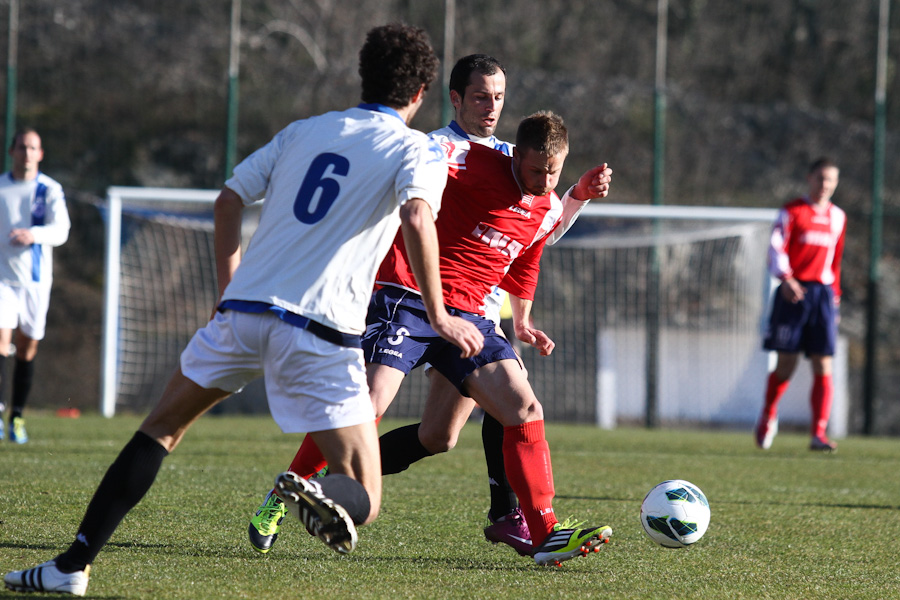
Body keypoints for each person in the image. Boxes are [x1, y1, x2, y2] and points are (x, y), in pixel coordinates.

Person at [4, 23, 484, 596]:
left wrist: (226, 291)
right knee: (366, 495)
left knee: (159, 430)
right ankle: (316, 494)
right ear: (423, 91)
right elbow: (416, 217)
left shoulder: (304, 130)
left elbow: (229, 199)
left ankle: (72, 565)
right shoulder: (417, 148)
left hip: (243, 312)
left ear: (363, 76)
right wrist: (439, 314)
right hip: (320, 328)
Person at [248, 55, 609, 559]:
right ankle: (287, 492)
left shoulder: (522, 166)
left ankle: (541, 529)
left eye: (498, 97)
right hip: (408, 298)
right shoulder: (442, 151)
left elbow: (530, 243)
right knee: (368, 405)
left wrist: (526, 312)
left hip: (473, 317)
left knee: (496, 416)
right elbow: (387, 178)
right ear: (455, 98)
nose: (491, 106)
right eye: (480, 96)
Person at [755, 157, 846, 452]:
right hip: (793, 292)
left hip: (823, 296)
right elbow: (776, 248)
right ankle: (768, 414)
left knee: (823, 362)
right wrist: (786, 278)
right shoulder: (792, 211)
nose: (825, 184)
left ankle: (818, 434)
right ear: (809, 178)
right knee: (786, 364)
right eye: (820, 178)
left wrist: (835, 300)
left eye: (830, 179)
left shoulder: (838, 217)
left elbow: (835, 261)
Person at [0, 127, 70, 444]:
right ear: (12, 151)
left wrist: (34, 234)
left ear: (40, 154)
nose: (26, 153)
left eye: (32, 148)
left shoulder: (49, 190)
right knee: (1, 342)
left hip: (35, 282)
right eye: (21, 147)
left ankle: (16, 416)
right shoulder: (1, 188)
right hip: (3, 279)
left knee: (27, 349)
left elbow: (61, 230)